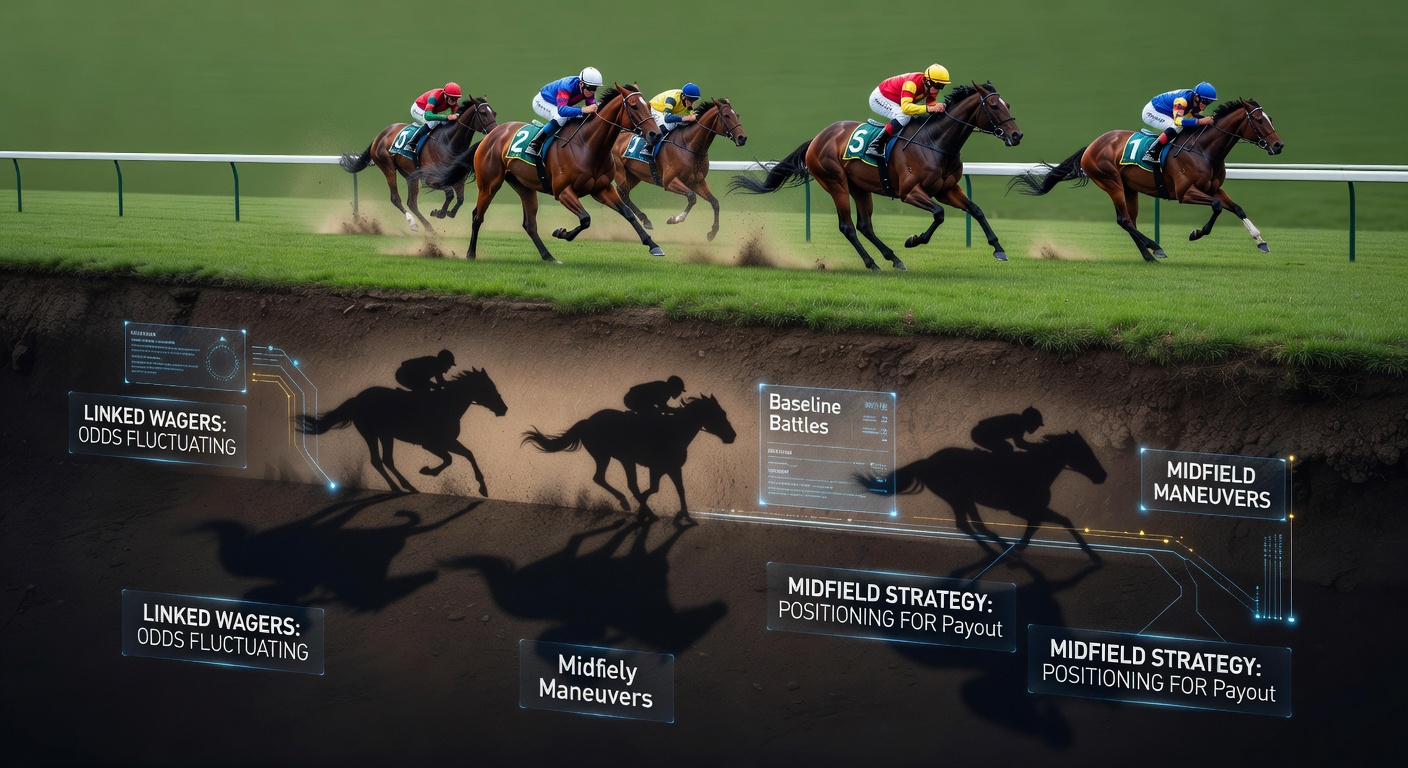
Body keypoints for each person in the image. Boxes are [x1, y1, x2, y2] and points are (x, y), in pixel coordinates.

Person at [865, 64, 950, 159]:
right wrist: (929, 109)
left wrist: (939, 108)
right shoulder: (911, 84)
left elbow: (931, 104)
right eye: (937, 86)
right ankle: (875, 145)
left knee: (911, 116)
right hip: (880, 98)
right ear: (927, 81)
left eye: (942, 86)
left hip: (896, 101)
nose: (938, 89)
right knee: (904, 116)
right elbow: (906, 108)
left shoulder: (930, 87)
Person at [526, 67, 603, 159]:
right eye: (591, 88)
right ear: (581, 84)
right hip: (542, 102)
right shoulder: (566, 85)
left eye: (595, 88)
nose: (592, 92)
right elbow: (562, 111)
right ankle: (535, 144)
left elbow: (591, 108)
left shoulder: (588, 90)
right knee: (561, 118)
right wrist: (583, 110)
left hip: (558, 105)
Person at [1140, 82, 1217, 166]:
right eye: (1205, 101)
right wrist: (1200, 121)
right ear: (1196, 98)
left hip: (1167, 112)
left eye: (1209, 102)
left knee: (1192, 123)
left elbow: (1192, 117)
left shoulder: (1193, 101)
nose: (1205, 105)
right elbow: (1178, 121)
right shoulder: (1182, 101)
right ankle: (1152, 152)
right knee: (1177, 126)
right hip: (1152, 111)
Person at [641, 83, 701, 158]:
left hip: (665, 112)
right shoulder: (672, 99)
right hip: (655, 109)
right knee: (665, 127)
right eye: (691, 101)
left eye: (694, 101)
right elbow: (667, 118)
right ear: (684, 98)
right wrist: (687, 118)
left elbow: (692, 115)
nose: (692, 104)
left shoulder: (686, 101)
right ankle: (647, 147)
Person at [407, 82, 463, 154]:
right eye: (452, 99)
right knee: (433, 122)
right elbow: (427, 116)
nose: (454, 102)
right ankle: (411, 143)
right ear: (445, 95)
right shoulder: (434, 97)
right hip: (418, 108)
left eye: (456, 99)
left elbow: (456, 114)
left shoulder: (452, 101)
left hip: (431, 111)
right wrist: (446, 117)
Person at [970, 407, 1044, 453]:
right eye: (1036, 425)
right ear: (1030, 422)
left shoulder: (1019, 421)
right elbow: (1019, 444)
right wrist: (1039, 448)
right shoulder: (1019, 423)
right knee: (1006, 448)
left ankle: (984, 456)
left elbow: (1020, 443)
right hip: (979, 433)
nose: (1036, 428)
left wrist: (1036, 447)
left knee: (1006, 447)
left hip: (980, 433)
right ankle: (985, 459)